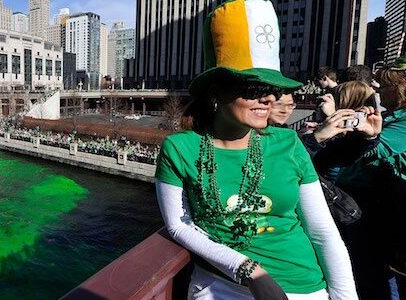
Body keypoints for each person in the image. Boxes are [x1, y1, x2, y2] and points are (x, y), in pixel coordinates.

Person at [155, 1, 357, 299]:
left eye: (272, 89)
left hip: (304, 287)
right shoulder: (179, 148)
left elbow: (323, 233)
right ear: (216, 93)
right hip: (223, 285)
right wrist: (249, 270)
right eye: (253, 89)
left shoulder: (288, 143)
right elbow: (179, 226)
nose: (268, 99)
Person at [337, 55, 406, 299]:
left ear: (400, 89)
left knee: (377, 276)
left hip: (376, 205)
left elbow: (373, 151)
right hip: (368, 202)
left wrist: (358, 135)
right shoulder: (390, 117)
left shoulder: (404, 121)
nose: (377, 91)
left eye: (384, 86)